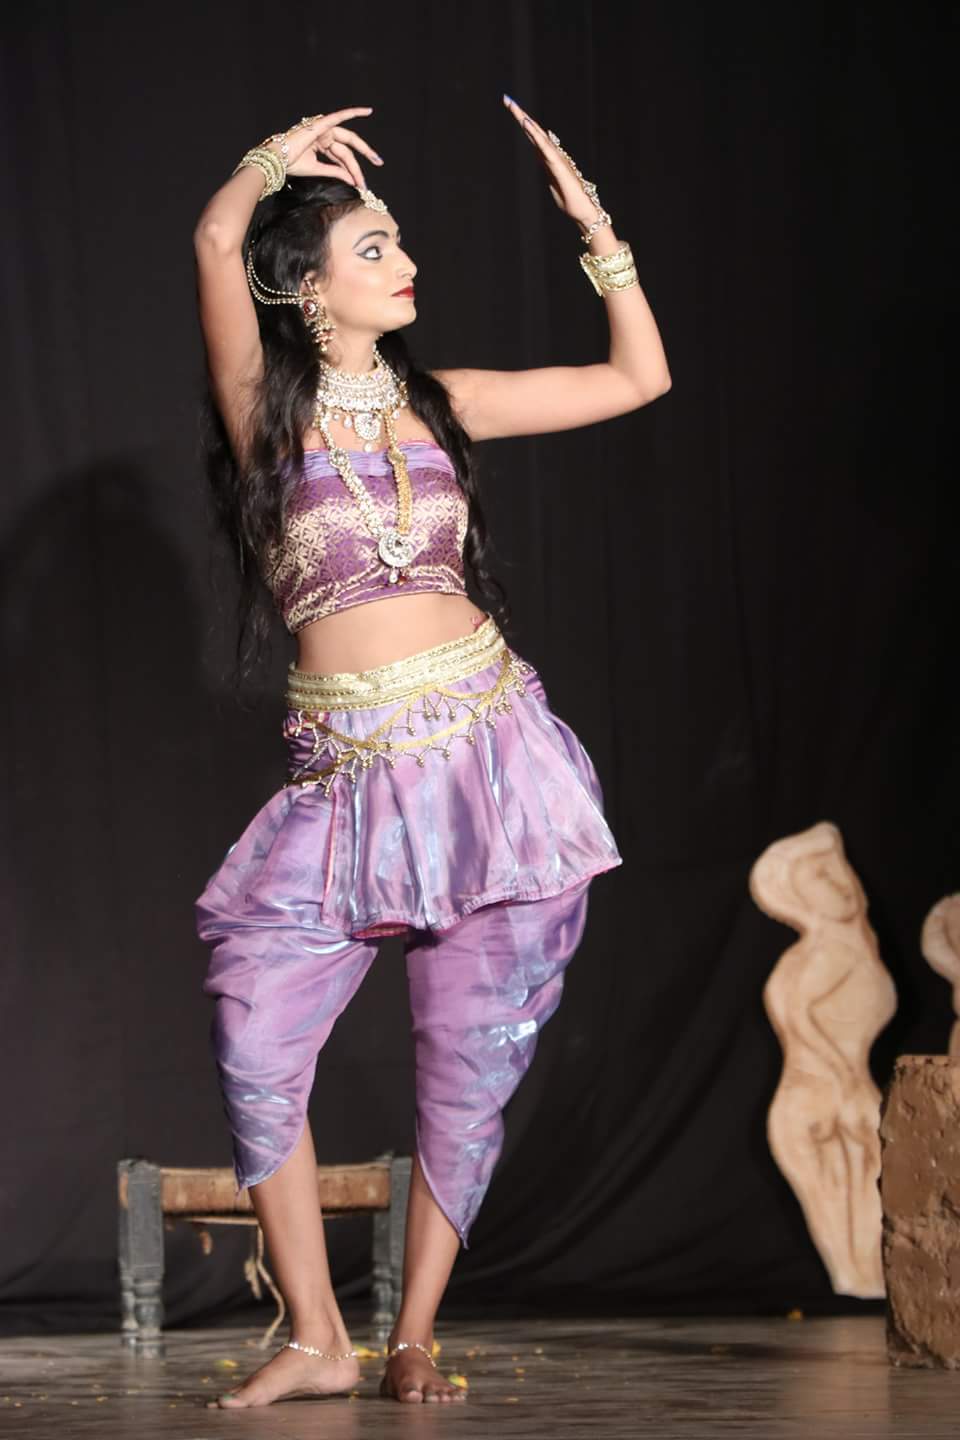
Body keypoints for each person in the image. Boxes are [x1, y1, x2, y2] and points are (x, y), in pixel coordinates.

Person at [192, 98, 671, 1409]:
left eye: (400, 242)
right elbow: (217, 237)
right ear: (305, 289)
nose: (408, 264)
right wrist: (269, 162)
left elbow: (637, 379)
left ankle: (409, 1337)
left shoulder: (441, 404)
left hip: (490, 762)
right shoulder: (266, 416)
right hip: (347, 777)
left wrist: (600, 237)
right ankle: (314, 1337)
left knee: (469, 1063)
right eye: (376, 247)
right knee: (253, 1035)